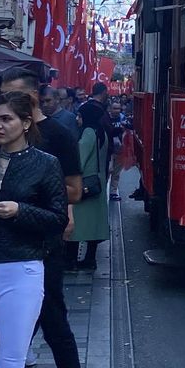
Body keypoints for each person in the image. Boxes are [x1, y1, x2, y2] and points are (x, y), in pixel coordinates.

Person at [0, 68, 83, 368]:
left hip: (40, 246)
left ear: (33, 97)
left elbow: (74, 191)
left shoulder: (58, 135)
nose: (4, 103)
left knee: (53, 320)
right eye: (2, 95)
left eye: (12, 95)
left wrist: (27, 193)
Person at [0, 91, 68, 368]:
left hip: (22, 269)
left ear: (26, 123)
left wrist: (20, 210)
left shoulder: (46, 164)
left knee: (10, 362)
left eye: (7, 119)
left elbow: (58, 218)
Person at [69, 101, 110, 270]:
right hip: (97, 183)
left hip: (84, 183)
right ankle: (90, 259)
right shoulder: (102, 132)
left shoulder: (87, 132)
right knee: (93, 225)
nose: (78, 119)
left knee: (77, 223)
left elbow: (80, 158)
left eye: (80, 115)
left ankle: (71, 260)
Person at [108, 99, 127, 201]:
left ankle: (113, 192)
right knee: (108, 172)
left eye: (118, 108)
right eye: (114, 108)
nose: (117, 110)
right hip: (108, 151)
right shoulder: (106, 119)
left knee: (116, 174)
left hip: (120, 150)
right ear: (110, 108)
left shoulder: (123, 118)